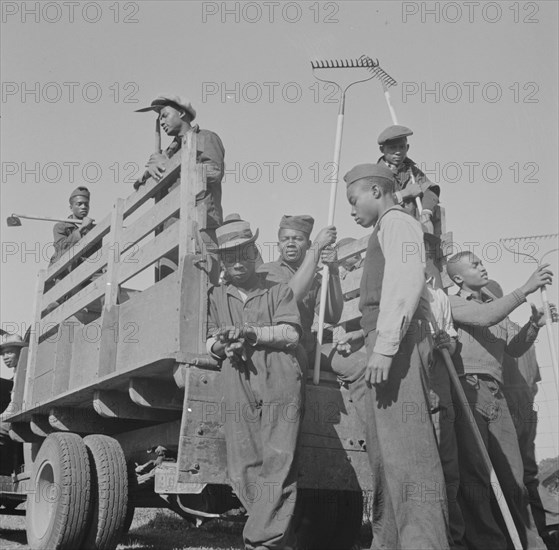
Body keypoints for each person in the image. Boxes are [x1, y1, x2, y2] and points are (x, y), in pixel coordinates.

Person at [341, 162, 449, 549]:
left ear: (375, 191)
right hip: (386, 342)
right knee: (387, 458)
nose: (351, 210)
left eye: (354, 201)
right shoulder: (383, 229)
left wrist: (385, 348)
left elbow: (405, 282)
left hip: (398, 348)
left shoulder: (398, 223)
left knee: (409, 456)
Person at [206, 216, 304, 550]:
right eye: (228, 255)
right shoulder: (216, 295)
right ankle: (274, 534)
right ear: (221, 260)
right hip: (236, 372)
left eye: (242, 252)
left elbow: (291, 332)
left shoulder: (276, 287)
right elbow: (208, 342)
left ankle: (263, 541)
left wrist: (252, 332)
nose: (236, 261)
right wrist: (224, 342)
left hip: (278, 371)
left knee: (279, 458)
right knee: (242, 464)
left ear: (253, 252)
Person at [447, 251, 553, 550]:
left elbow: (514, 350)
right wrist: (525, 289)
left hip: (497, 394)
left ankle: (528, 544)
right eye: (475, 265)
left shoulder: (493, 307)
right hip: (467, 389)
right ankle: (489, 545)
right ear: (457, 278)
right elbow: (484, 317)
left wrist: (534, 324)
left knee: (513, 477)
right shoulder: (452, 302)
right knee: (476, 477)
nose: (483, 268)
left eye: (482, 263)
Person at [484, 279, 555, 545]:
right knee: (526, 471)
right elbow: (534, 378)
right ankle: (544, 524)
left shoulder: (499, 330)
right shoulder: (520, 329)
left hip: (509, 404)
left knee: (510, 472)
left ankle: (525, 530)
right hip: (526, 404)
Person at [134, 94, 225, 277]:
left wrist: (169, 165)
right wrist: (149, 174)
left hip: (200, 227)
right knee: (167, 294)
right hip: (167, 232)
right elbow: (140, 188)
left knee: (199, 288)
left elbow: (213, 172)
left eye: (165, 115)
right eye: (159, 118)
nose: (161, 121)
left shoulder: (205, 137)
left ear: (182, 113)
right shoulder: (167, 153)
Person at [257, 215, 343, 360]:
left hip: (308, 349)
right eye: (285, 239)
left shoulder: (315, 278)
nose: (290, 243)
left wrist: (333, 272)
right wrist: (317, 248)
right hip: (277, 349)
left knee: (357, 365)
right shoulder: (266, 271)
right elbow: (289, 298)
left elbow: (332, 316)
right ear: (278, 246)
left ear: (308, 244)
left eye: (297, 239)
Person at [377, 125, 440, 234]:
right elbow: (376, 204)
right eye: (392, 148)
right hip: (389, 232)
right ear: (382, 150)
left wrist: (426, 211)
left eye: (402, 147)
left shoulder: (412, 171)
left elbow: (431, 191)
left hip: (414, 230)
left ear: (408, 148)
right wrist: (406, 193)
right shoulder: (376, 174)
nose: (398, 152)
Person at [49, 186, 97, 267]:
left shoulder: (93, 229)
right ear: (71, 208)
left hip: (87, 271)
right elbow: (61, 249)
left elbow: (96, 254)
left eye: (86, 204)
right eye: (79, 204)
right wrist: (81, 229)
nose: (83, 207)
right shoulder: (61, 227)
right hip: (64, 272)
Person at [0, 334, 26, 476]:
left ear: (21, 351)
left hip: (21, 414)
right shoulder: (17, 370)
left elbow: (16, 403)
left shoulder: (24, 368)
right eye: (3, 354)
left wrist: (2, 417)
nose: (5, 357)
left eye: (9, 352)